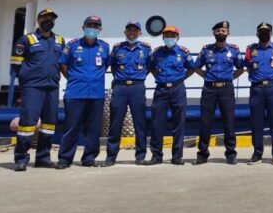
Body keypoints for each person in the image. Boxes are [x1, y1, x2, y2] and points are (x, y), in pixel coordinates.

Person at [10, 8, 65, 172]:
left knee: (49, 124)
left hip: (52, 87)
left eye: (51, 18)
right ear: (37, 21)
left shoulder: (60, 40)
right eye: (45, 18)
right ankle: (21, 159)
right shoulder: (26, 40)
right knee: (27, 124)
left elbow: (63, 62)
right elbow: (16, 65)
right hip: (33, 87)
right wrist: (27, 81)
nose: (48, 21)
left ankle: (43, 157)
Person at [57, 16, 111, 169]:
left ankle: (89, 157)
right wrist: (74, 78)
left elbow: (105, 66)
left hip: (96, 94)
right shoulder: (72, 46)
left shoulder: (104, 47)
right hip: (75, 93)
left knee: (93, 129)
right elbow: (63, 64)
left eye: (96, 25)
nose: (92, 28)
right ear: (83, 27)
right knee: (71, 127)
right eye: (90, 25)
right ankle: (65, 158)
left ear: (100, 29)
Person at [193, 21, 243, 165]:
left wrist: (229, 78)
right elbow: (196, 67)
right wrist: (207, 77)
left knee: (229, 122)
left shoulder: (234, 50)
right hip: (209, 89)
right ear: (214, 33)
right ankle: (202, 154)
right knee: (205, 122)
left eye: (223, 30)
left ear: (228, 33)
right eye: (218, 31)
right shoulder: (206, 50)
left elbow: (240, 68)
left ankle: (231, 154)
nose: (221, 33)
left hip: (226, 89)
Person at [104, 20, 152, 166]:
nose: (132, 33)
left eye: (135, 30)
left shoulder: (146, 49)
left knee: (140, 123)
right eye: (129, 30)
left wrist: (137, 79)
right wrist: (121, 80)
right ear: (125, 32)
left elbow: (149, 67)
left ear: (140, 33)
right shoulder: (117, 48)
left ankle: (140, 155)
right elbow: (113, 67)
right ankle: (111, 157)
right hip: (120, 88)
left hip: (137, 87)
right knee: (115, 122)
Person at [148, 25, 195, 165]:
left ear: (177, 37)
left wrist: (179, 79)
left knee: (179, 123)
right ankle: (156, 155)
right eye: (167, 35)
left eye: (172, 36)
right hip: (161, 89)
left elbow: (191, 68)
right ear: (163, 37)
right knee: (157, 123)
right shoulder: (156, 53)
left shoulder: (183, 52)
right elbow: (151, 68)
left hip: (177, 89)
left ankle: (177, 156)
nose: (169, 38)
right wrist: (161, 79)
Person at [245, 22, 273, 165]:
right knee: (256, 123)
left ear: (271, 33)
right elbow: (248, 66)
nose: (264, 33)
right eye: (261, 31)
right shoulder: (251, 49)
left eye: (266, 31)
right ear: (257, 34)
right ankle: (257, 153)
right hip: (256, 88)